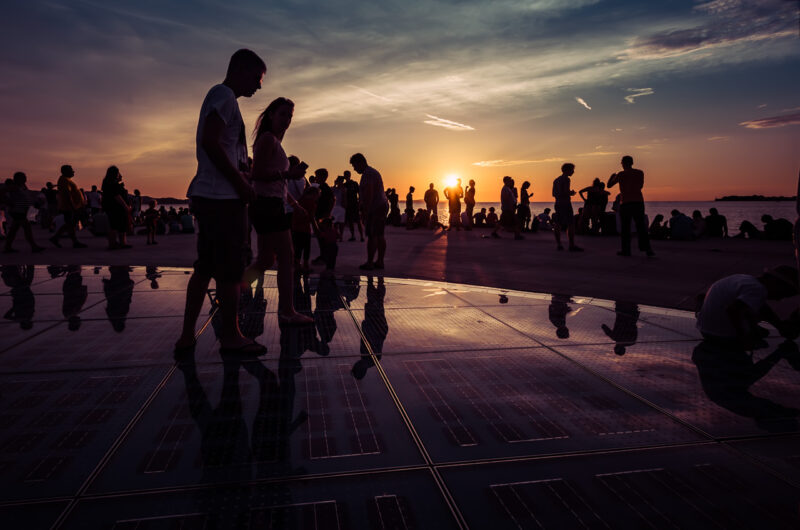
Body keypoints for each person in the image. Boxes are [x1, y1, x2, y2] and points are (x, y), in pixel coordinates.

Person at [175, 49, 269, 357]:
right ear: (240, 69)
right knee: (230, 270)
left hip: (213, 196)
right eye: (257, 78)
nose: (258, 86)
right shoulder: (224, 95)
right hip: (222, 199)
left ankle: (188, 336)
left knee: (205, 268)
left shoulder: (224, 99)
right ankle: (231, 336)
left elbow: (220, 147)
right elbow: (210, 142)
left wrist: (243, 168)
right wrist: (240, 183)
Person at [244, 97, 314, 326]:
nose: (287, 120)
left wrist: (295, 205)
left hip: (269, 204)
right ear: (271, 114)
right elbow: (256, 175)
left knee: (265, 259)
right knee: (287, 256)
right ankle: (287, 310)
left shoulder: (274, 141)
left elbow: (278, 185)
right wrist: (287, 174)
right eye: (283, 114)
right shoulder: (267, 140)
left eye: (290, 116)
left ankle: (232, 292)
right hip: (266, 205)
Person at [696, 266, 799, 350]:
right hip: (720, 336)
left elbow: (762, 308)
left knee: (753, 308)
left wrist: (779, 326)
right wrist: (745, 338)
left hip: (705, 330)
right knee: (761, 334)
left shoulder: (744, 279)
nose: (779, 299)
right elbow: (733, 310)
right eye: (784, 294)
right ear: (777, 284)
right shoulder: (758, 289)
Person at [607, 156, 654, 257]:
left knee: (625, 228)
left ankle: (626, 250)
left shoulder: (621, 174)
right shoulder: (639, 173)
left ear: (623, 163)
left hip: (626, 203)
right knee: (641, 227)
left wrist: (611, 176)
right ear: (632, 163)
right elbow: (640, 186)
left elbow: (609, 185)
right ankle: (647, 249)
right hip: (638, 202)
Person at [350, 153, 389, 270]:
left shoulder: (368, 174)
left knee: (372, 235)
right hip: (381, 205)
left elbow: (369, 194)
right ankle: (380, 261)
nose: (354, 169)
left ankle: (370, 262)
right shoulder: (372, 172)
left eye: (354, 166)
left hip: (375, 207)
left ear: (360, 163)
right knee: (379, 234)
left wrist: (365, 212)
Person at [3, 172, 44, 253]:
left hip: (21, 211)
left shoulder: (22, 186)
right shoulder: (14, 186)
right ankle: (33, 246)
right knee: (27, 228)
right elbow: (1, 192)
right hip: (17, 211)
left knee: (13, 230)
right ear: (17, 178)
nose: (25, 178)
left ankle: (7, 247)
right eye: (23, 177)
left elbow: (26, 196)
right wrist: (7, 202)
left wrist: (35, 202)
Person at [49, 165, 88, 248]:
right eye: (71, 170)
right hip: (68, 207)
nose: (73, 172)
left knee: (70, 224)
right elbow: (68, 195)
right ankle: (70, 240)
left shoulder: (66, 180)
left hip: (72, 206)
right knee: (70, 224)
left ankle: (68, 240)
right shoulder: (64, 180)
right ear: (65, 171)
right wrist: (73, 206)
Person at [551, 163, 582, 251]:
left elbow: (554, 194)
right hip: (565, 203)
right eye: (572, 170)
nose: (573, 172)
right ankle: (571, 245)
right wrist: (571, 193)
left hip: (558, 203)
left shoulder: (556, 180)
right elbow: (564, 192)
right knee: (571, 224)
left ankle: (559, 244)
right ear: (567, 170)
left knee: (558, 224)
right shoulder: (566, 179)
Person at [101, 166, 133, 250]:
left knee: (117, 225)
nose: (120, 174)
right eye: (118, 173)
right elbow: (117, 196)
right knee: (116, 225)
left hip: (111, 207)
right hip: (116, 207)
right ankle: (115, 243)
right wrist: (125, 206)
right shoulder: (112, 184)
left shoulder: (107, 183)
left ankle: (118, 243)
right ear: (115, 174)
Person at [343, 170, 364, 242]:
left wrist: (360, 202)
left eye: (347, 174)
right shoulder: (344, 185)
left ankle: (361, 236)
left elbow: (360, 193)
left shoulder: (354, 184)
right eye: (345, 175)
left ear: (349, 175)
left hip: (355, 204)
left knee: (358, 221)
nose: (346, 176)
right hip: (348, 205)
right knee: (350, 221)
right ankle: (353, 236)